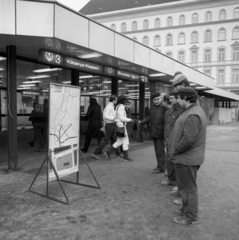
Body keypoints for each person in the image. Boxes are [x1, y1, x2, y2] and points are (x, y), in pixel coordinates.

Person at [168, 87, 207, 225]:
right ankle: (186, 210)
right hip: (187, 158)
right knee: (185, 187)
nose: (177, 100)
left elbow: (188, 139)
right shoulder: (192, 111)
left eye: (179, 98)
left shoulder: (192, 114)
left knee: (188, 188)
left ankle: (190, 216)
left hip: (187, 158)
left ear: (185, 98)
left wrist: (174, 150)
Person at [139, 92, 166, 173]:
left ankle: (161, 167)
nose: (156, 101)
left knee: (160, 151)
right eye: (154, 100)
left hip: (161, 133)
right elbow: (150, 117)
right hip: (154, 132)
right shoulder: (153, 107)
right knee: (157, 151)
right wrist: (142, 122)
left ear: (161, 98)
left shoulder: (164, 108)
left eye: (158, 99)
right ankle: (160, 165)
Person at [162, 90, 184, 187]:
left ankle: (177, 182)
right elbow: (167, 125)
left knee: (175, 161)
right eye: (170, 98)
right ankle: (170, 179)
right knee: (169, 160)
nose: (170, 100)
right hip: (168, 139)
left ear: (177, 99)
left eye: (172, 98)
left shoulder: (181, 111)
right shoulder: (169, 110)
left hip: (174, 140)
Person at [104, 95, 134, 162]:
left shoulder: (117, 106)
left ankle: (108, 152)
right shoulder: (121, 107)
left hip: (119, 126)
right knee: (125, 142)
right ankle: (125, 157)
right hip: (122, 127)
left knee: (119, 141)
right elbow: (122, 118)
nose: (126, 101)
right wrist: (130, 119)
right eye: (125, 100)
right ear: (123, 100)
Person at [91, 95, 120, 160]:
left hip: (111, 124)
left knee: (114, 139)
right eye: (116, 100)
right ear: (113, 100)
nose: (116, 101)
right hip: (109, 124)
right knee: (106, 139)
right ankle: (95, 153)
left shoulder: (111, 106)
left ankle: (118, 153)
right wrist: (114, 118)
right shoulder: (109, 107)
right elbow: (105, 116)